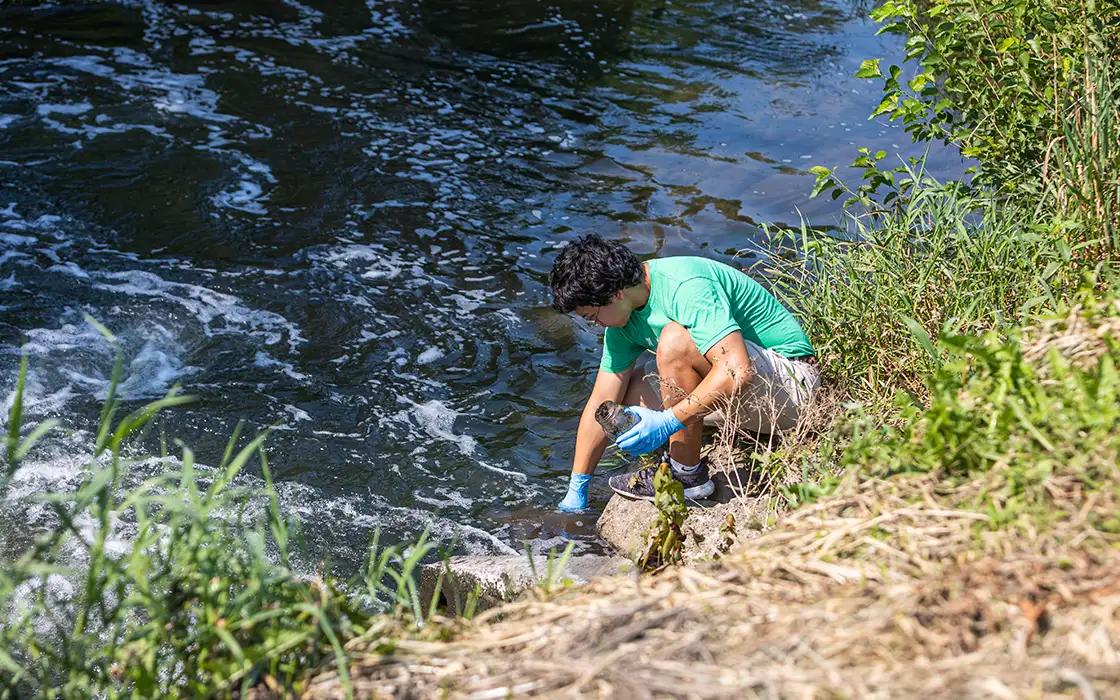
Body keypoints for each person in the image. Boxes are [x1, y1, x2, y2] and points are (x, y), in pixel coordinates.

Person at [549, 234, 820, 511]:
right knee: (621, 402)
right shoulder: (622, 321)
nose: (594, 325)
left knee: (675, 341)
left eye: (592, 316)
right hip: (748, 401)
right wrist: (577, 486)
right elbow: (601, 402)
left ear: (615, 293)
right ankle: (682, 448)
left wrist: (667, 421)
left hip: (792, 389)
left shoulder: (684, 285)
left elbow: (738, 370)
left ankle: (685, 474)